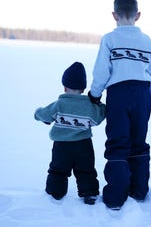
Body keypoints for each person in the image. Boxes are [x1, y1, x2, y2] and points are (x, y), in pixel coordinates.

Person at [88, 0, 151, 210]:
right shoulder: (146, 40)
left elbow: (102, 69)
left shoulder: (109, 39)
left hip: (118, 95)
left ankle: (115, 196)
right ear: (137, 15)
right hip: (141, 95)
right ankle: (138, 191)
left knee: (118, 142)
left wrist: (95, 94)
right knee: (138, 141)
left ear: (114, 15)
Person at [34, 62, 106, 205]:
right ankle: (89, 193)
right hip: (84, 145)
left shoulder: (59, 104)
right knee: (86, 170)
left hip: (61, 146)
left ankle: (56, 191)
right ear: (83, 89)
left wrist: (37, 113)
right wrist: (99, 104)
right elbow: (98, 117)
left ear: (65, 87)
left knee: (58, 170)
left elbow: (44, 114)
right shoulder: (88, 106)